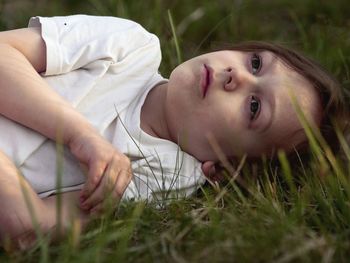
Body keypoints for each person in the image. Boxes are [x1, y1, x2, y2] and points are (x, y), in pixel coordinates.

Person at [0, 14, 346, 250]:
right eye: (256, 63)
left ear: (225, 167)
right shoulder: (129, 47)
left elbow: (27, 224)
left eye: (254, 106)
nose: (236, 76)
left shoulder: (163, 177)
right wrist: (81, 134)